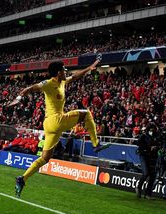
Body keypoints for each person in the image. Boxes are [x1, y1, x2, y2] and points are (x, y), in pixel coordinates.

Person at [7, 57, 110, 197]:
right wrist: (18, 99)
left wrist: (89, 68)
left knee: (45, 158)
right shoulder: (48, 83)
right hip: (56, 121)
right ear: (58, 72)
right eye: (63, 70)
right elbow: (30, 89)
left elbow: (75, 77)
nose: (65, 72)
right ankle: (96, 144)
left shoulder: (62, 82)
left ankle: (22, 179)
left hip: (50, 125)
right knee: (87, 114)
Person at [135, 124, 159, 199]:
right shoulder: (143, 136)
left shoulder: (156, 137)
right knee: (146, 173)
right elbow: (138, 144)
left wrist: (156, 147)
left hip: (153, 157)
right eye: (151, 129)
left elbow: (159, 145)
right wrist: (149, 148)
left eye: (153, 129)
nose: (152, 131)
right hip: (144, 156)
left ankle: (148, 194)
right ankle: (138, 188)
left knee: (153, 175)